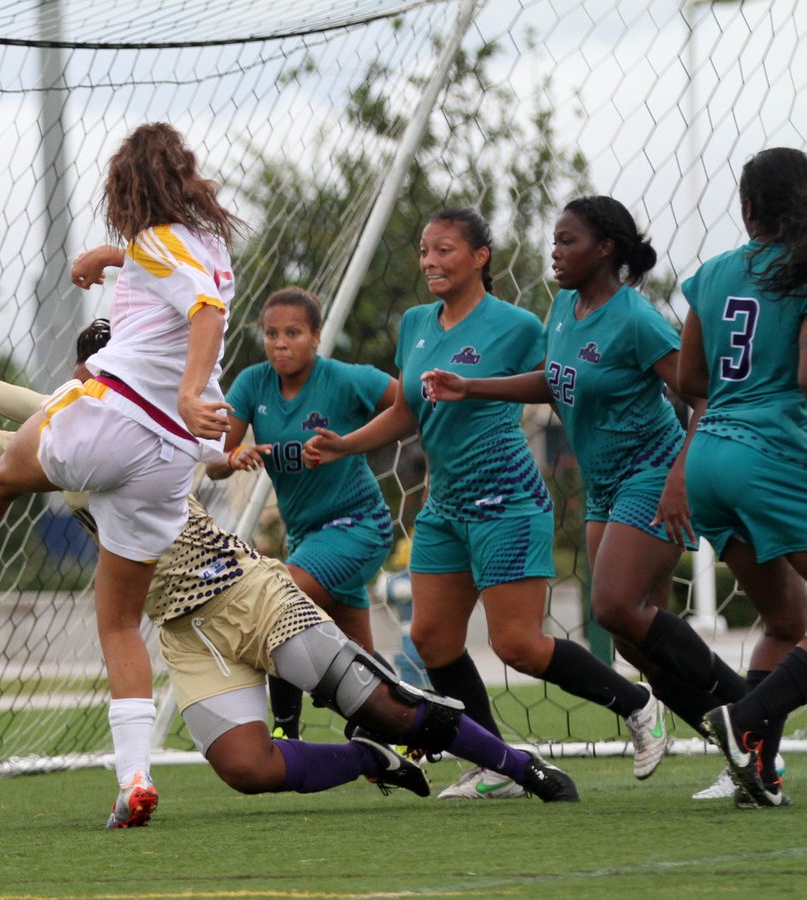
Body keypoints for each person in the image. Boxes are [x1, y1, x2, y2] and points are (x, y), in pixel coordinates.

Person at [0, 312, 580, 820]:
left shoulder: (141, 416)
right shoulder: (72, 426)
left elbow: (33, 413)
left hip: (242, 590)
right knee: (246, 768)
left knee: (387, 705)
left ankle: (519, 765)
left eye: (103, 366)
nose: (90, 377)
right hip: (184, 630)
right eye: (88, 367)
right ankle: (373, 759)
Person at [0, 122, 241, 828]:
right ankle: (134, 778)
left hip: (118, 415)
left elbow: (206, 310)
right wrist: (111, 256)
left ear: (125, 189)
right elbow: (184, 276)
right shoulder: (209, 242)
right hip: (171, 459)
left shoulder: (160, 242)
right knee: (120, 623)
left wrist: (192, 387)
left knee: (1, 473)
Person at [303, 207, 665, 799]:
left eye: (443, 250)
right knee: (433, 640)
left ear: (479, 257)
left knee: (517, 645)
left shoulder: (519, 325)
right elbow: (405, 412)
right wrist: (345, 444)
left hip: (508, 500)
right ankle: (497, 763)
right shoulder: (416, 323)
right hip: (444, 506)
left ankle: (636, 702)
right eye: (424, 251)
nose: (429, 261)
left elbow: (566, 379)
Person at [420, 196, 751, 789]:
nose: (555, 251)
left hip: (655, 472)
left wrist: (680, 479)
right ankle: (741, 749)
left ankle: (750, 715)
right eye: (554, 240)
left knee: (614, 607)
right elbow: (554, 382)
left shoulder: (636, 318)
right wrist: (471, 387)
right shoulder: (564, 308)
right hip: (606, 486)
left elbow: (701, 395)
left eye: (567, 241)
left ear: (605, 249)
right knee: (634, 641)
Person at [206, 287, 398, 740]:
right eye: (271, 334)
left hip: (359, 526)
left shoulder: (344, 379)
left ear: (316, 335)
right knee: (359, 660)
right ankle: (414, 724)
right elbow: (214, 462)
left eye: (292, 333)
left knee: (276, 602)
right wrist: (233, 457)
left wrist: (350, 443)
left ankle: (284, 733)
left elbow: (411, 404)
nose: (280, 344)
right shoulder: (253, 384)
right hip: (307, 539)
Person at [682, 147, 807, 809]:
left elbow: (689, 378)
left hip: (708, 457)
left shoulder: (711, 273)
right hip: (769, 453)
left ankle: (755, 771)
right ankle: (745, 718)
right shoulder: (802, 269)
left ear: (748, 206)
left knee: (786, 619)